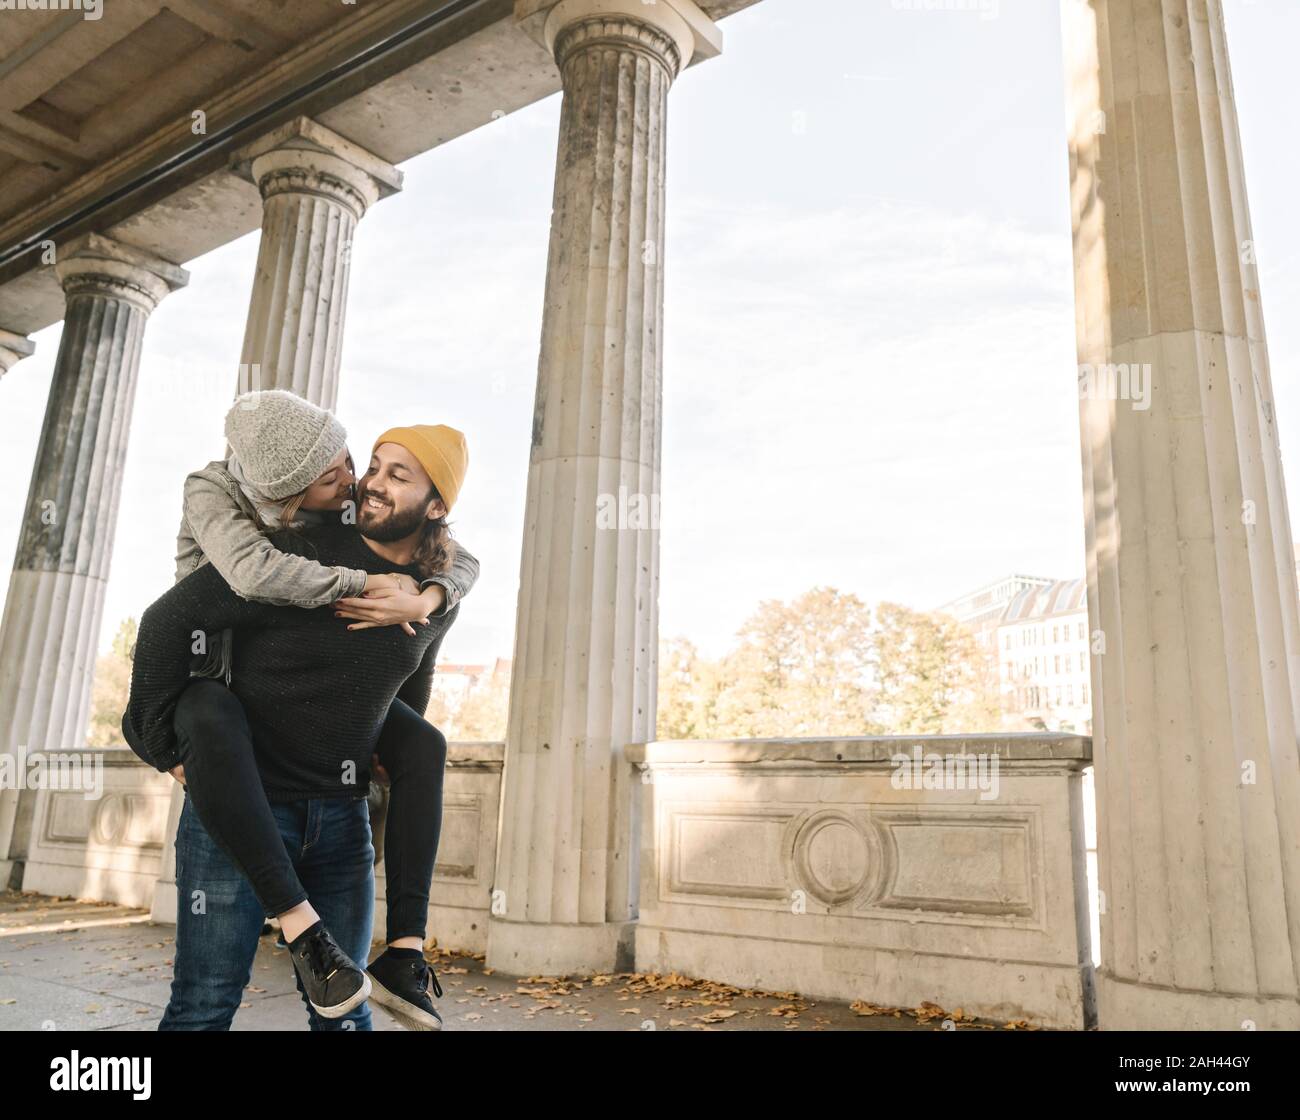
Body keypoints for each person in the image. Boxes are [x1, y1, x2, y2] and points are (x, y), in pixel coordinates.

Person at [124, 413, 471, 1031]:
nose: (371, 483)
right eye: (371, 467)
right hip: (240, 812)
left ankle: (406, 955)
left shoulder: (433, 593)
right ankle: (298, 926)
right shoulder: (295, 554)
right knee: (205, 1005)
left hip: (340, 821)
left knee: (344, 1014)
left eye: (397, 475)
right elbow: (166, 623)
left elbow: (409, 683)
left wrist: (424, 602)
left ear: (436, 506)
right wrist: (158, 743)